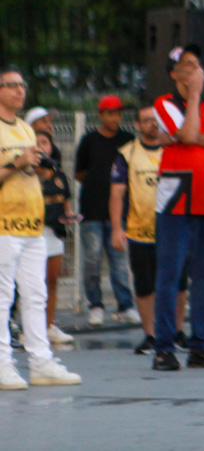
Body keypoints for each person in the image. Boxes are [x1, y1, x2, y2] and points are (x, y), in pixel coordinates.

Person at [151, 44, 204, 372]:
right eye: (188, 65)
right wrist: (196, 102)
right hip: (175, 200)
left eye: (198, 64)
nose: (195, 70)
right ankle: (164, 347)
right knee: (170, 275)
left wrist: (190, 136)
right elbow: (186, 131)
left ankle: (201, 346)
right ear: (175, 74)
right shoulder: (164, 103)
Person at [0, 65, 81, 390]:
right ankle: (3, 364)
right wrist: (17, 163)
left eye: (22, 85)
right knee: (3, 297)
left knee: (36, 295)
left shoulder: (24, 128)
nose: (20, 90)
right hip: (4, 225)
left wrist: (38, 165)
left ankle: (41, 362)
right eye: (11, 85)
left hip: (32, 225)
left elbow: (29, 172)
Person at [109, 105, 188, 355]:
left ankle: (176, 330)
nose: (152, 125)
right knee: (145, 286)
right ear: (137, 125)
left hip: (174, 229)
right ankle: (151, 334)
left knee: (179, 283)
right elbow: (117, 193)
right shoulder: (127, 153)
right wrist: (116, 229)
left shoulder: (173, 149)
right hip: (140, 231)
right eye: (146, 121)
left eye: (156, 121)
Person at [75, 95, 137, 326]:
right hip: (92, 210)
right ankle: (96, 304)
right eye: (110, 113)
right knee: (92, 260)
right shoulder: (89, 140)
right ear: (101, 115)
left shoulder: (128, 140)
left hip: (120, 212)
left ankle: (125, 304)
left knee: (119, 260)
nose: (114, 117)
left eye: (118, 113)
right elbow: (79, 173)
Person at [32, 131, 76, 345]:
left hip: (54, 234)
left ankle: (49, 326)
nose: (41, 146)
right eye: (36, 143)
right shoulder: (27, 173)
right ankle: (30, 329)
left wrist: (69, 217)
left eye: (44, 142)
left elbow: (66, 204)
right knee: (33, 284)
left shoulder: (59, 175)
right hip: (33, 233)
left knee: (52, 282)